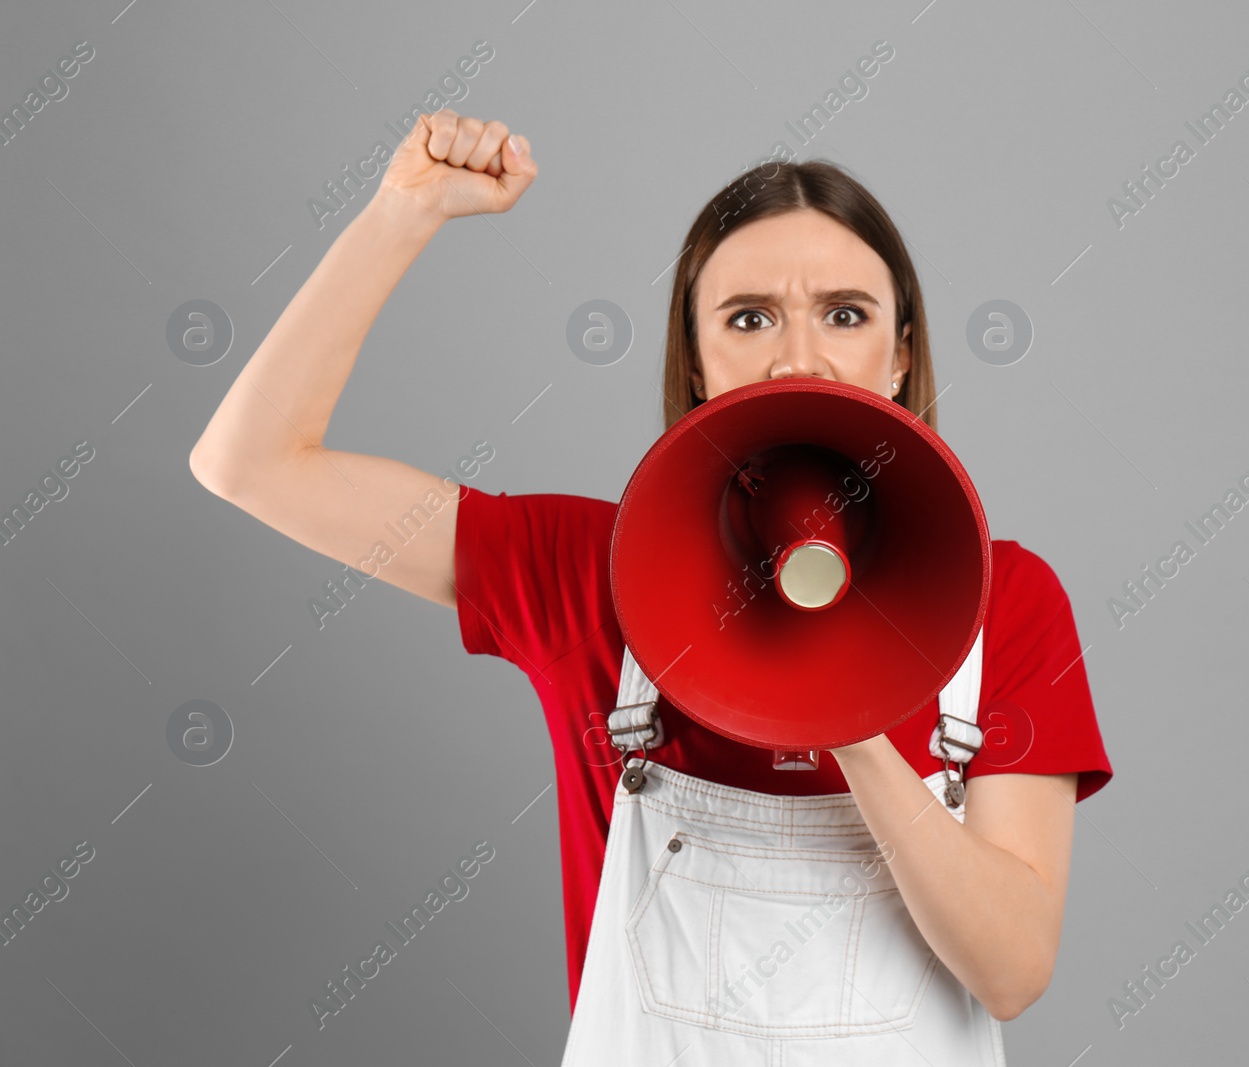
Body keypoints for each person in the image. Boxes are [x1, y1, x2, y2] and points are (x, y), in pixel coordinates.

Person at [190, 109, 1113, 1064]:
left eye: (845, 314)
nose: (799, 356)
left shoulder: (1007, 602)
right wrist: (401, 213)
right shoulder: (586, 569)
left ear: (902, 352)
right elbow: (251, 463)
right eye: (748, 318)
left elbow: (1009, 971)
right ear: (699, 361)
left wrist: (843, 698)